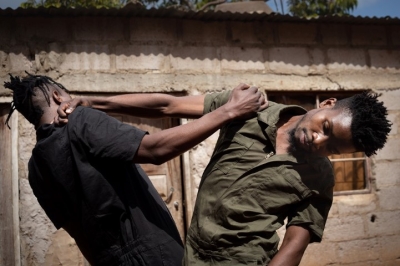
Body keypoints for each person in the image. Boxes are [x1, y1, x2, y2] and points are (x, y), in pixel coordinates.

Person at [59, 88, 391, 266]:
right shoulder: (249, 108)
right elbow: (169, 106)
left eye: (332, 147)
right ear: (327, 104)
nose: (319, 141)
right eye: (327, 128)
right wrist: (95, 101)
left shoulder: (320, 179)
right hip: (189, 253)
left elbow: (294, 245)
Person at [4, 73, 267, 266]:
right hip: (154, 255)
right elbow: (155, 150)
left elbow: (78, 234)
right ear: (58, 96)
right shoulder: (79, 121)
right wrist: (230, 111)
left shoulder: (36, 168)